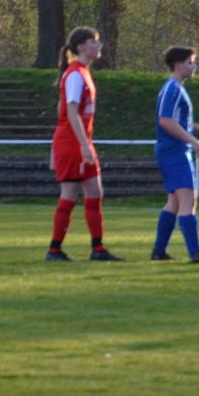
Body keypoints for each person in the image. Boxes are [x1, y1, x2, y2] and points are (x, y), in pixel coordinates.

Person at [47, 26, 120, 262]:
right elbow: (69, 111)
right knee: (69, 194)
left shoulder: (83, 72)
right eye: (94, 42)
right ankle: (54, 250)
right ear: (81, 46)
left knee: (95, 192)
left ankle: (98, 249)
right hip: (73, 143)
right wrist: (83, 145)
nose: (98, 46)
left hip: (81, 142)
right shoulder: (76, 73)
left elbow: (60, 109)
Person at [152, 46, 199, 263]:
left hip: (173, 150)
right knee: (188, 200)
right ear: (179, 66)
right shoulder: (172, 88)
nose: (193, 66)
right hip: (175, 151)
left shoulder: (175, 88)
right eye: (190, 62)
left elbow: (177, 119)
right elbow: (165, 121)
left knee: (175, 202)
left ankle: (159, 251)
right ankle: (195, 251)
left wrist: (196, 128)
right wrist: (193, 141)